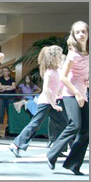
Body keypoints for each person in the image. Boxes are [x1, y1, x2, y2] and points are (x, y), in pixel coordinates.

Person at [9, 45, 68, 158]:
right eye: (59, 55)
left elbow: (59, 85)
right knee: (35, 124)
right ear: (54, 57)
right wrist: (53, 104)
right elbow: (45, 90)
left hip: (52, 102)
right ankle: (15, 145)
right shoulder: (49, 72)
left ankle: (57, 149)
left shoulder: (56, 70)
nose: (61, 57)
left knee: (63, 124)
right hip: (46, 102)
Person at [47, 21, 89, 175]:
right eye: (78, 32)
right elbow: (63, 78)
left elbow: (83, 75)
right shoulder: (72, 54)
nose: (81, 34)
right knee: (75, 125)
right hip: (71, 93)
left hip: (82, 93)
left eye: (84, 31)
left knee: (86, 131)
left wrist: (87, 82)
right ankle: (52, 153)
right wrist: (77, 93)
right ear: (74, 35)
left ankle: (73, 164)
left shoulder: (87, 54)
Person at [0, 67, 16, 133]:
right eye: (3, 71)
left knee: (10, 113)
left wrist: (4, 88)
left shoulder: (12, 79)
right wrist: (8, 86)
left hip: (10, 97)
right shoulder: (0, 78)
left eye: (6, 71)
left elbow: (13, 87)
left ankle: (10, 129)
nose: (5, 72)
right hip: (1, 98)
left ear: (9, 72)